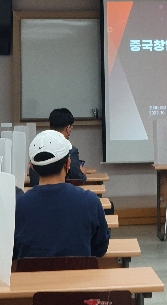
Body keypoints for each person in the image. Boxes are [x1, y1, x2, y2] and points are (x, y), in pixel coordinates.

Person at [13, 129, 110, 260]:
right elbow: (100, 248)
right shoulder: (90, 201)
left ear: (32, 167)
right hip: (79, 273)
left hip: (32, 274)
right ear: (68, 163)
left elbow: (13, 251)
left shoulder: (18, 205)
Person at [29, 108, 87, 186]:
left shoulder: (38, 146)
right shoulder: (70, 150)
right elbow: (78, 179)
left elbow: (34, 180)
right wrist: (82, 173)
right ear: (68, 128)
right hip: (64, 191)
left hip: (38, 189)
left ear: (50, 126)